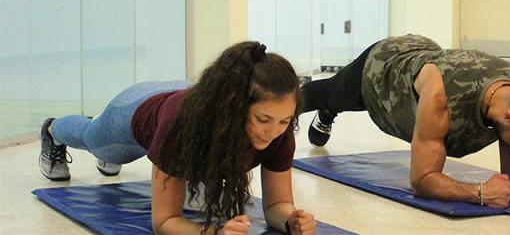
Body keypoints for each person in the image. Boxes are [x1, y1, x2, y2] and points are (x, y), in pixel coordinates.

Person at [38, 42, 317, 235]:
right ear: (234, 107)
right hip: (137, 109)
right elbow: (165, 222)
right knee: (94, 139)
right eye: (263, 120)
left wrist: (291, 221)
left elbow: (275, 206)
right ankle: (52, 129)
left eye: (283, 120)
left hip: (187, 97)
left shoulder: (278, 126)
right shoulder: (181, 127)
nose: (274, 131)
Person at [303, 34, 510, 208]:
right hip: (383, 72)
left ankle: (329, 107)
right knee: (318, 96)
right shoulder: (441, 95)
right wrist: (480, 193)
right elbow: (422, 180)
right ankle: (328, 109)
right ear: (508, 116)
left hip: (429, 55)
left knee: (329, 98)